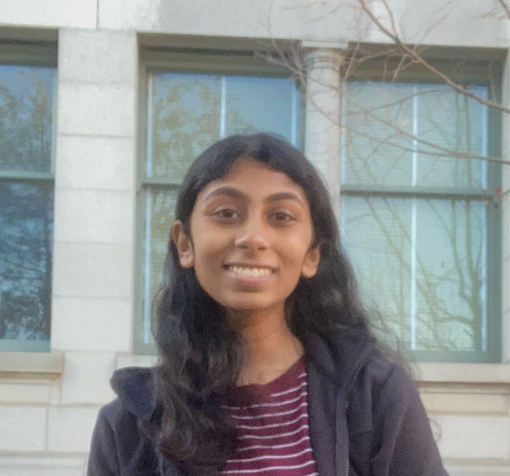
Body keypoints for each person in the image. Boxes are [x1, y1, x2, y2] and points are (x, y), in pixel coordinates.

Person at [87, 133, 449, 476]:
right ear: (185, 243)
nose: (253, 238)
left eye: (281, 217)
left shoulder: (375, 397)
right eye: (226, 213)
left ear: (312, 254)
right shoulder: (127, 427)